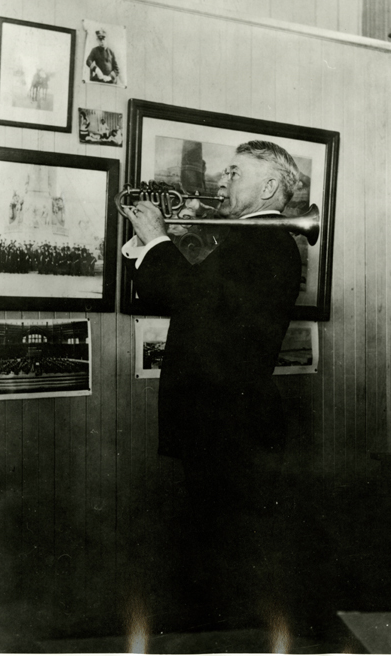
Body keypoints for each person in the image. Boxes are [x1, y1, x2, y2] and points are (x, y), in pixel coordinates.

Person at [121, 140, 303, 630]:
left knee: (221, 553)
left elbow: (187, 297)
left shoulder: (264, 243)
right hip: (222, 421)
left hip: (228, 424)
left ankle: (222, 639)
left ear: (269, 186)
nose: (222, 180)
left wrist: (158, 239)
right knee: (215, 546)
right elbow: (184, 299)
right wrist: (162, 241)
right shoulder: (249, 243)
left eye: (235, 173)